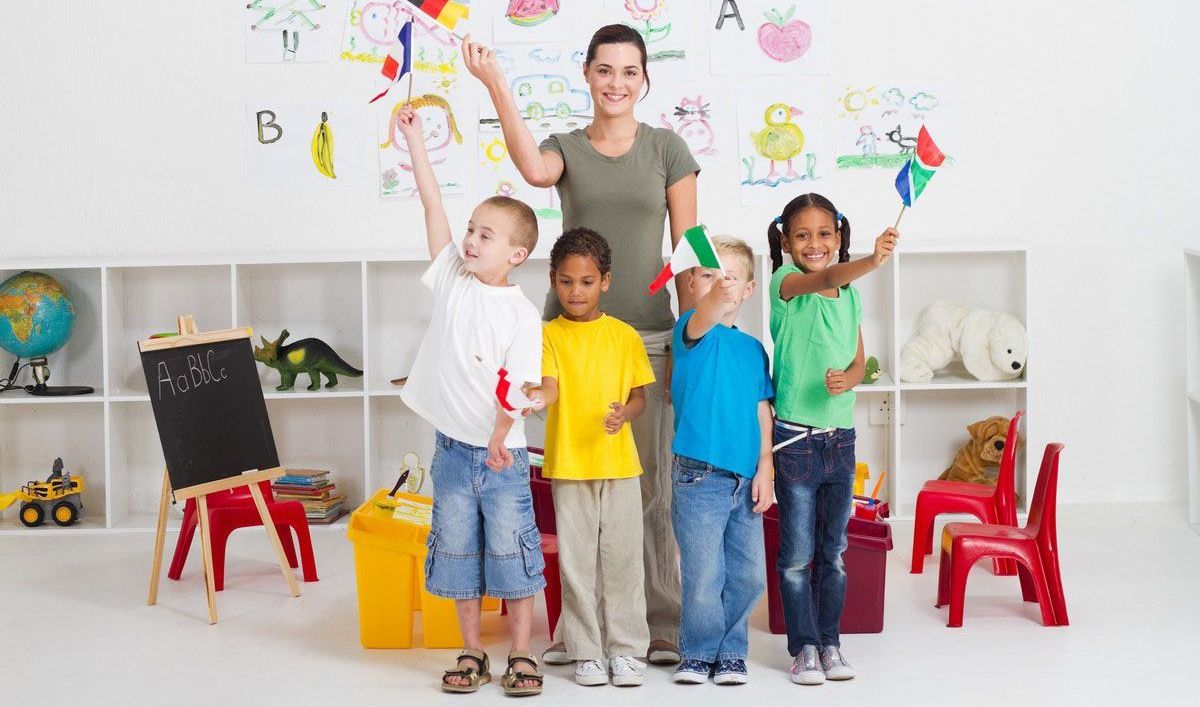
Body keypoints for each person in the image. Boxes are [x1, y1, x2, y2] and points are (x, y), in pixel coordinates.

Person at [465, 23, 700, 664]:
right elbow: (532, 170)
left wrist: (693, 334)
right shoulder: (566, 147)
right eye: (604, 70)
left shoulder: (667, 149)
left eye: (629, 72)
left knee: (646, 487)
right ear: (588, 74)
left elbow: (689, 249)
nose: (616, 83)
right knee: (572, 487)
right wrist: (496, 85)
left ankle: (658, 622)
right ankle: (580, 626)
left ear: (644, 78)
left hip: (646, 337)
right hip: (564, 344)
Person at [394, 105, 546, 696]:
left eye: (486, 234)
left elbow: (517, 388)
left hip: (501, 456)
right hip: (453, 452)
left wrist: (498, 437)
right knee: (457, 556)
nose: (470, 239)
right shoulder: (454, 278)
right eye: (472, 229)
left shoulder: (521, 315)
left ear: (516, 253)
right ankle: (471, 651)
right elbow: (434, 208)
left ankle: (522, 654)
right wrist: (416, 144)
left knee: (512, 557)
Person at [765, 193, 898, 685]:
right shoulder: (787, 284)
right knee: (797, 555)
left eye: (825, 234)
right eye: (802, 235)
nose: (815, 244)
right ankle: (802, 648)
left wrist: (849, 377)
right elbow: (824, 278)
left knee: (834, 551)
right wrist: (870, 260)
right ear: (786, 242)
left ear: (838, 236)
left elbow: (860, 359)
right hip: (795, 439)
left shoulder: (853, 296)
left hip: (840, 439)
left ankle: (830, 642)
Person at [536, 228, 655, 687]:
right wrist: (533, 394)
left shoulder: (624, 336)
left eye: (586, 282)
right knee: (577, 562)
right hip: (569, 466)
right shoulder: (547, 336)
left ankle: (626, 650)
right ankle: (585, 650)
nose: (576, 291)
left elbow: (639, 398)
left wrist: (624, 413)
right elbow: (549, 387)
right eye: (566, 282)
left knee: (624, 560)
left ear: (604, 281)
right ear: (552, 281)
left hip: (620, 467)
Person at [668, 237, 774, 686]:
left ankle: (731, 651)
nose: (719, 285)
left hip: (746, 478)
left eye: (729, 277)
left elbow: (761, 410)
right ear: (692, 284)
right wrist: (716, 294)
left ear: (749, 289)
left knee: (749, 574)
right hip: (698, 478)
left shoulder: (752, 350)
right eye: (708, 275)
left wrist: (766, 466)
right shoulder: (691, 330)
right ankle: (697, 652)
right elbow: (708, 312)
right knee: (703, 573)